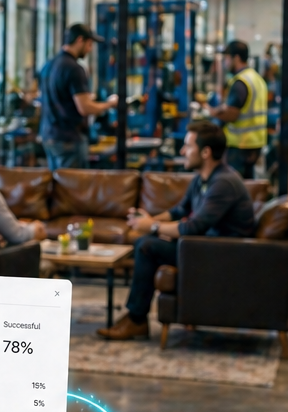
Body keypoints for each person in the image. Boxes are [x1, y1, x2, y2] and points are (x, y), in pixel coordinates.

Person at [97, 120, 256, 341]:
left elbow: (193, 227)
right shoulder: (203, 179)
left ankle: (136, 320)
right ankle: (136, 317)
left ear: (206, 152)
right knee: (148, 241)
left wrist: (151, 227)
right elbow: (179, 211)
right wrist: (150, 220)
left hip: (221, 255)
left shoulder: (223, 184)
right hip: (203, 247)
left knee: (146, 246)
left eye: (188, 146)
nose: (182, 151)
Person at [38, 23, 117, 170]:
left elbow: (56, 97)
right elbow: (85, 108)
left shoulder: (48, 66)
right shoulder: (74, 69)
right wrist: (110, 104)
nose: (90, 49)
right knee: (72, 189)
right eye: (89, 44)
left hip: (49, 136)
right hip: (69, 139)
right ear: (80, 40)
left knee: (57, 186)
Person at [211, 40, 268, 179]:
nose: (225, 62)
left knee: (233, 186)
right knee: (247, 186)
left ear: (236, 58)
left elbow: (232, 115)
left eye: (227, 58)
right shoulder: (256, 78)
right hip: (256, 143)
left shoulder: (240, 82)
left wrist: (213, 112)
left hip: (240, 145)